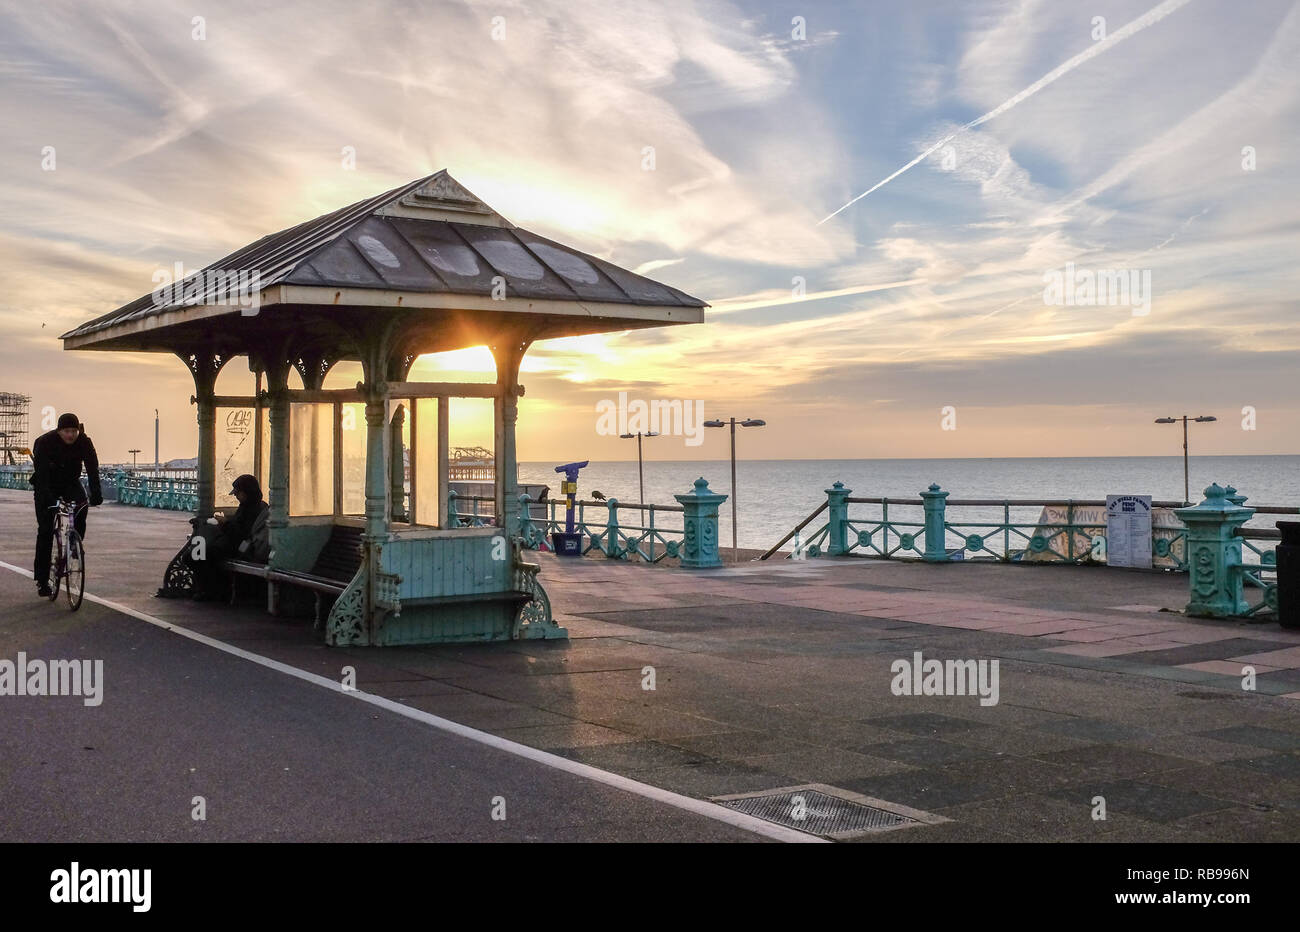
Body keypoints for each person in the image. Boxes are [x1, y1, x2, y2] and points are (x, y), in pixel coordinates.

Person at [31, 413, 102, 597]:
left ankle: (74, 543)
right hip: (46, 483)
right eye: (67, 431)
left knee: (82, 506)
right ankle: (42, 579)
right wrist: (50, 500)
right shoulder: (45, 442)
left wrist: (96, 493)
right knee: (45, 530)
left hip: (70, 482)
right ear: (59, 430)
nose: (70, 435)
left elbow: (92, 467)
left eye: (74, 431)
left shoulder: (84, 442)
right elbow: (42, 476)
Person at [188, 474, 269, 601]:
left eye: (238, 493)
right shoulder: (246, 506)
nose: (236, 496)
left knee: (202, 555)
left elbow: (242, 533)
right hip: (229, 543)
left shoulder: (255, 509)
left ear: (247, 492)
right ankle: (206, 589)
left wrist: (225, 523)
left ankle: (212, 590)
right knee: (194, 555)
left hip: (239, 547)